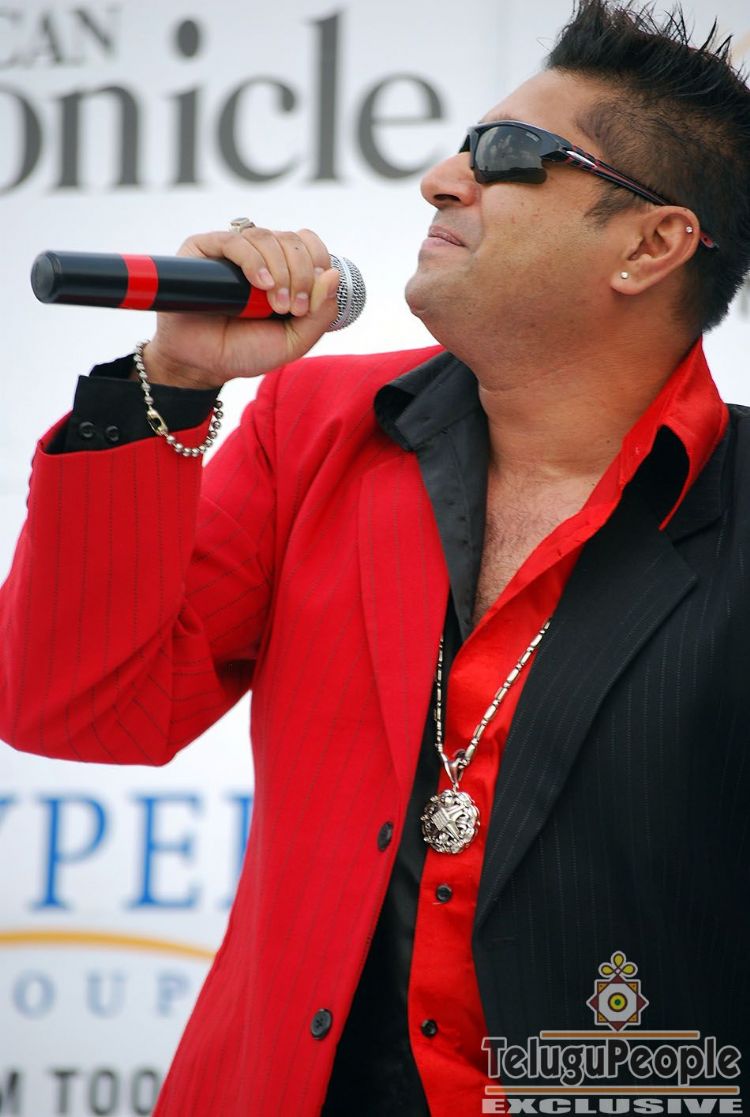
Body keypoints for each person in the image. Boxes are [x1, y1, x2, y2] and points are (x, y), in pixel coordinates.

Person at [2, 0, 750, 1113]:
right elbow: (72, 709)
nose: (443, 180)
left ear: (652, 244)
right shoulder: (316, 428)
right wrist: (175, 381)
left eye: (506, 155)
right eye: (461, 146)